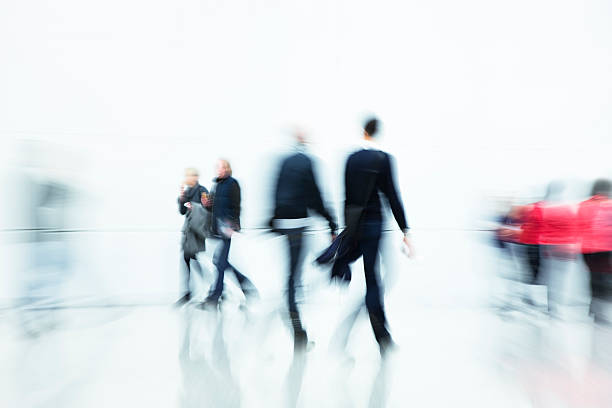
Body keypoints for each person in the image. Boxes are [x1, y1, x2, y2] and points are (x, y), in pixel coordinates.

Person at [330, 117, 414, 357]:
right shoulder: (384, 159)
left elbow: (346, 196)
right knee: (374, 280)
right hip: (375, 225)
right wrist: (405, 231)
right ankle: (382, 338)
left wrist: (343, 229)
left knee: (369, 277)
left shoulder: (351, 159)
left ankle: (375, 335)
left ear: (363, 131)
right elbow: (392, 196)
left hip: (354, 224)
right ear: (379, 133)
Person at [270, 128, 338, 350]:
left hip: (284, 223)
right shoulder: (307, 162)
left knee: (293, 270)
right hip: (299, 222)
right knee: (297, 271)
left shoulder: (284, 162)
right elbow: (315, 195)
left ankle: (291, 303)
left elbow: (276, 190)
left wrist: (273, 219)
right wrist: (331, 222)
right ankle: (294, 317)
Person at [201, 159, 258, 309]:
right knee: (220, 262)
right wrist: (207, 204)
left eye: (221, 167)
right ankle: (246, 285)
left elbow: (236, 206)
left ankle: (214, 297)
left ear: (227, 168)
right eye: (217, 167)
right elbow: (212, 207)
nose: (219, 170)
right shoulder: (217, 185)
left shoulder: (233, 183)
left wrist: (233, 224)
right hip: (217, 228)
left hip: (227, 229)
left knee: (220, 263)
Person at [577, 179, 612, 322]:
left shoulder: (583, 206)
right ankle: (602, 309)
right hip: (607, 248)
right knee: (607, 278)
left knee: (594, 276)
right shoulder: (609, 205)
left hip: (587, 249)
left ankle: (595, 306)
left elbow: (578, 227)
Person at [176, 167, 209, 306]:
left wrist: (193, 206)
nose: (187, 178)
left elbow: (207, 208)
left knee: (195, 261)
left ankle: (214, 289)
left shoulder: (202, 191)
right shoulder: (188, 192)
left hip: (197, 232)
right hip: (189, 233)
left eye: (189, 176)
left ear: (195, 177)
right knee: (188, 260)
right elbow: (182, 211)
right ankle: (188, 293)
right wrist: (182, 198)